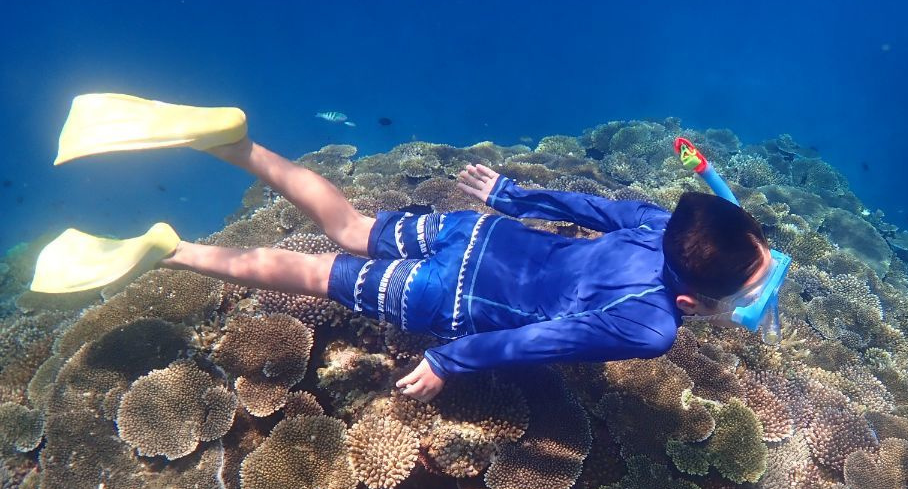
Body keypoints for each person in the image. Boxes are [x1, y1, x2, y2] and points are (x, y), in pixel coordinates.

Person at [34, 95, 787, 402]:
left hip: (475, 232)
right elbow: (543, 340)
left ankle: (234, 143)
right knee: (312, 273)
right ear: (691, 303)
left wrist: (505, 196)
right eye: (748, 298)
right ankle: (166, 248)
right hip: (451, 299)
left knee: (349, 226)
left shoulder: (661, 223)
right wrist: (448, 361)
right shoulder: (654, 327)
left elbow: (585, 207)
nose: (756, 302)